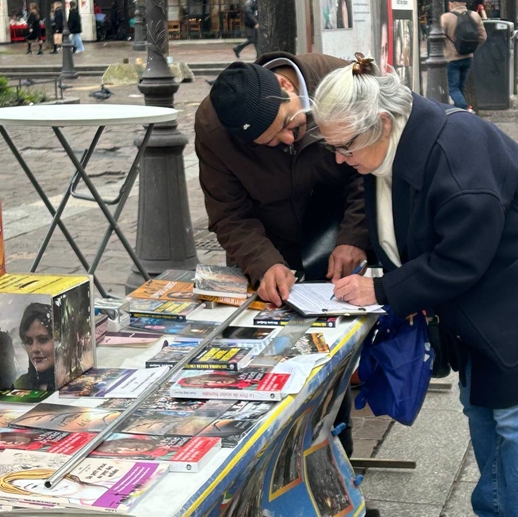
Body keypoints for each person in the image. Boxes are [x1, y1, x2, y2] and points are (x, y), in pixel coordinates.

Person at [312, 54, 518, 517]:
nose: (341, 159)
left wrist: (385, 292)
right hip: (482, 311)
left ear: (382, 123)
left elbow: (461, 255)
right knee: (483, 415)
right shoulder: (391, 144)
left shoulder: (452, 148)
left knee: (517, 426)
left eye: (345, 147)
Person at [195, 51, 371, 514]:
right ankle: (281, 483)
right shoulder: (214, 127)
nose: (291, 138)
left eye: (292, 125)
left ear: (290, 89)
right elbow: (229, 212)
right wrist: (264, 262)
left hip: (336, 229)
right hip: (275, 243)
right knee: (283, 364)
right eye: (275, 141)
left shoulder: (337, 80)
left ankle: (338, 469)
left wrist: (354, 236)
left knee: (334, 357)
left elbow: (370, 173)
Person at [441, 0, 487, 110]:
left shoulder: (446, 18)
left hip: (451, 58)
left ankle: (465, 108)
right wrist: (470, 45)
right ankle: (460, 112)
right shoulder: (474, 15)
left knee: (452, 88)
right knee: (460, 87)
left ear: (451, 4)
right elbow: (483, 37)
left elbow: (438, 38)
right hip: (468, 57)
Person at [13, 303, 56, 391]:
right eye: (29, 341)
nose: (34, 349)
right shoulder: (19, 386)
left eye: (43, 340)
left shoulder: (74, 382)